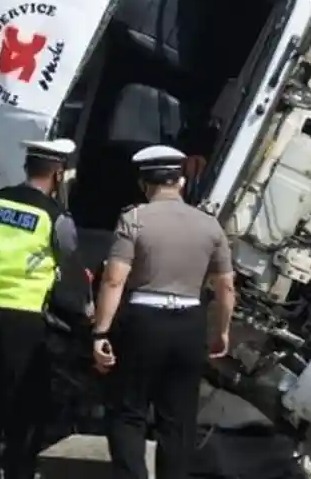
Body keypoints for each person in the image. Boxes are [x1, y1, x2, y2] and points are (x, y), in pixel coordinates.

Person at [91, 145, 237, 479]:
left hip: (142, 323)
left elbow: (114, 280)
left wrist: (100, 332)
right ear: (181, 182)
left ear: (145, 183)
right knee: (178, 419)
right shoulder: (210, 226)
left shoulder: (134, 219)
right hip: (189, 324)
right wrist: (222, 330)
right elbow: (226, 287)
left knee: (128, 413)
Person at [0, 138, 80, 479]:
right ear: (58, 175)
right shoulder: (55, 216)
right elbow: (70, 260)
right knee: (25, 405)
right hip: (27, 319)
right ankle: (18, 472)